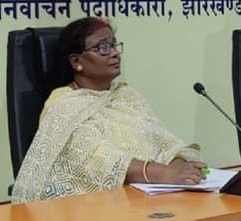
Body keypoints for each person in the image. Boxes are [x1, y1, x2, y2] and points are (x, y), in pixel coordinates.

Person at [11, 17, 206, 203]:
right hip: (95, 207)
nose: (114, 53)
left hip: (153, 198)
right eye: (103, 48)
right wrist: (163, 173)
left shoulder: (126, 95)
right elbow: (95, 159)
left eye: (114, 45)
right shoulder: (64, 105)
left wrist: (179, 167)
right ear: (76, 62)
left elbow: (164, 142)